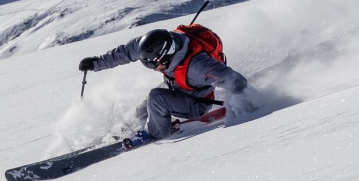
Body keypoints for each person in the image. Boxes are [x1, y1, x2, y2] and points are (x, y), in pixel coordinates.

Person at [78, 25, 248, 142]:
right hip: (177, 87)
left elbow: (235, 80)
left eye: (153, 65)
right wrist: (96, 63)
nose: (153, 69)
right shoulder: (155, 43)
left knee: (156, 98)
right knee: (141, 110)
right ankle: (133, 129)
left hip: (197, 102)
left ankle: (156, 135)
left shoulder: (198, 67)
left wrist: (245, 104)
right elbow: (127, 51)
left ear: (167, 56)